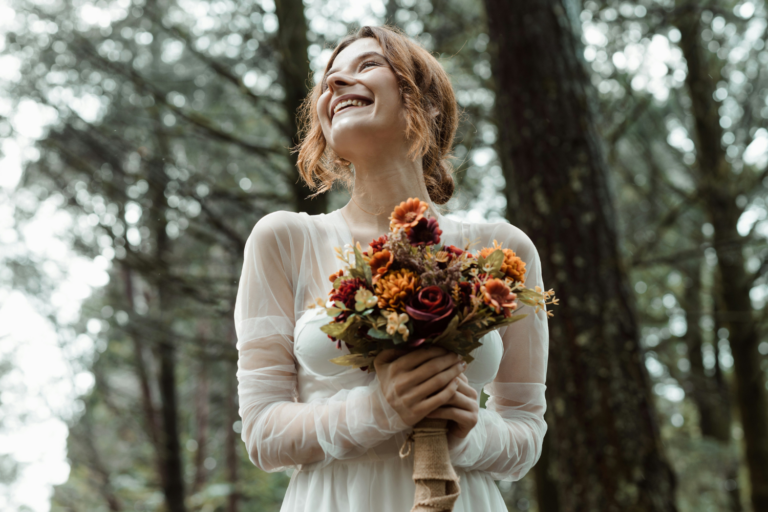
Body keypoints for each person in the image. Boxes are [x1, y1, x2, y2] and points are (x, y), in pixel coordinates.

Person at [234, 25, 549, 512]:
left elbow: (526, 430)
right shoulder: (284, 240)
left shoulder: (504, 251)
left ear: (428, 103)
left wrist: (472, 430)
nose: (336, 84)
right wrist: (378, 410)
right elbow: (262, 432)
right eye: (329, 79)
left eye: (366, 66)